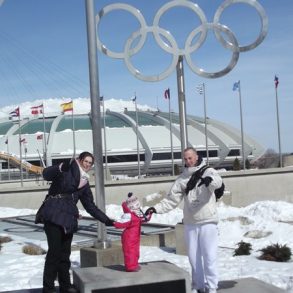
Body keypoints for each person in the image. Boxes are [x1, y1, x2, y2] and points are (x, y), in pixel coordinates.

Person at [145, 147, 222, 293]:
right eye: (185, 159)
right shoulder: (182, 179)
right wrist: (155, 209)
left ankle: (212, 288)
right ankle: (198, 286)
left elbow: (218, 182)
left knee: (209, 257)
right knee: (193, 258)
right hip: (190, 223)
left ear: (196, 157)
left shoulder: (208, 171)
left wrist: (209, 181)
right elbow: (171, 200)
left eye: (190, 158)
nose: (188, 161)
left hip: (208, 221)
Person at [37, 151, 114, 293]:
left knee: (65, 255)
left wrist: (106, 220)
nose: (87, 165)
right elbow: (46, 174)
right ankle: (48, 288)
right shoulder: (66, 170)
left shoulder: (84, 183)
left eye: (90, 163)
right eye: (86, 161)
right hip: (53, 214)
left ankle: (65, 286)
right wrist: (59, 167)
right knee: (54, 253)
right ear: (79, 160)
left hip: (68, 220)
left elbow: (90, 206)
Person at [114, 192, 151, 272]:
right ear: (131, 207)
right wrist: (115, 223)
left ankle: (134, 264)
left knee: (135, 251)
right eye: (136, 206)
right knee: (130, 252)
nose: (138, 207)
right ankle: (130, 266)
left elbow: (143, 219)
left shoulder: (137, 214)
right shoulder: (129, 215)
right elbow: (121, 223)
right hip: (128, 238)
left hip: (135, 237)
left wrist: (149, 214)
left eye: (138, 205)